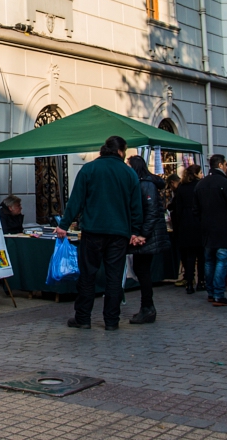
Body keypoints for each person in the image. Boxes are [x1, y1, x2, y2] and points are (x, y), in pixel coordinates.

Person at [55, 136, 144, 331]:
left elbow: (76, 200)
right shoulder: (129, 173)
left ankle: (83, 318)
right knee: (114, 277)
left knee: (88, 275)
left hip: (93, 231)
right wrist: (136, 231)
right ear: (120, 151)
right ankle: (111, 321)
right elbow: (136, 206)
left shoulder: (89, 169)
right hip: (119, 232)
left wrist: (64, 224)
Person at [195, 154, 227, 307]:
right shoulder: (224, 183)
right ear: (221, 164)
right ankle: (218, 294)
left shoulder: (201, 184)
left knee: (209, 260)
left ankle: (211, 293)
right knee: (222, 260)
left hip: (206, 228)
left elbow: (195, 209)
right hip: (223, 227)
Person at [126, 156, 170, 324]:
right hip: (146, 234)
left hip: (148, 237)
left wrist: (143, 234)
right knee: (141, 269)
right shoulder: (143, 183)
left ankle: (148, 307)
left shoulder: (146, 184)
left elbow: (151, 212)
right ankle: (147, 307)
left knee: (142, 270)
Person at [169, 164, 204, 294]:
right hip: (198, 222)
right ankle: (201, 281)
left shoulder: (182, 188)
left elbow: (177, 208)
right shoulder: (200, 185)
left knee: (189, 256)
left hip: (185, 222)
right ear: (196, 174)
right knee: (200, 255)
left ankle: (189, 282)